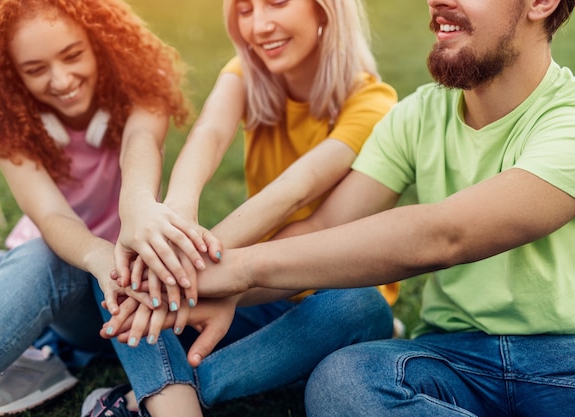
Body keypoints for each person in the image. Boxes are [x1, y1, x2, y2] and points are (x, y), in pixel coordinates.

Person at [167, 0, 575, 415]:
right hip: (453, 360)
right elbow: (323, 226)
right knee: (341, 382)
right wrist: (212, 284)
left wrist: (239, 270)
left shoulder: (569, 120)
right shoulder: (417, 115)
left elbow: (445, 235)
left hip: (563, 360)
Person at [83, 0, 399, 416]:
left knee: (359, 306)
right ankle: (175, 402)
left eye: (277, 3)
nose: (259, 26)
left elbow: (295, 191)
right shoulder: (247, 73)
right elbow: (209, 135)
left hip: (318, 299)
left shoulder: (374, 102)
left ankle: (161, 397)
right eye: (245, 9)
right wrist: (173, 222)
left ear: (325, 9)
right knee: (123, 265)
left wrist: (188, 268)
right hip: (249, 295)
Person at [0, 0, 193, 415]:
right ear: (11, 73)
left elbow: (140, 146)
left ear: (100, 43)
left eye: (73, 55)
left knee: (66, 257)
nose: (61, 79)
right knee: (41, 251)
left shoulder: (142, 86)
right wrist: (95, 254)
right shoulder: (8, 120)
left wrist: (125, 224)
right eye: (35, 69)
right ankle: (19, 357)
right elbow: (51, 217)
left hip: (107, 282)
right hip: (36, 262)